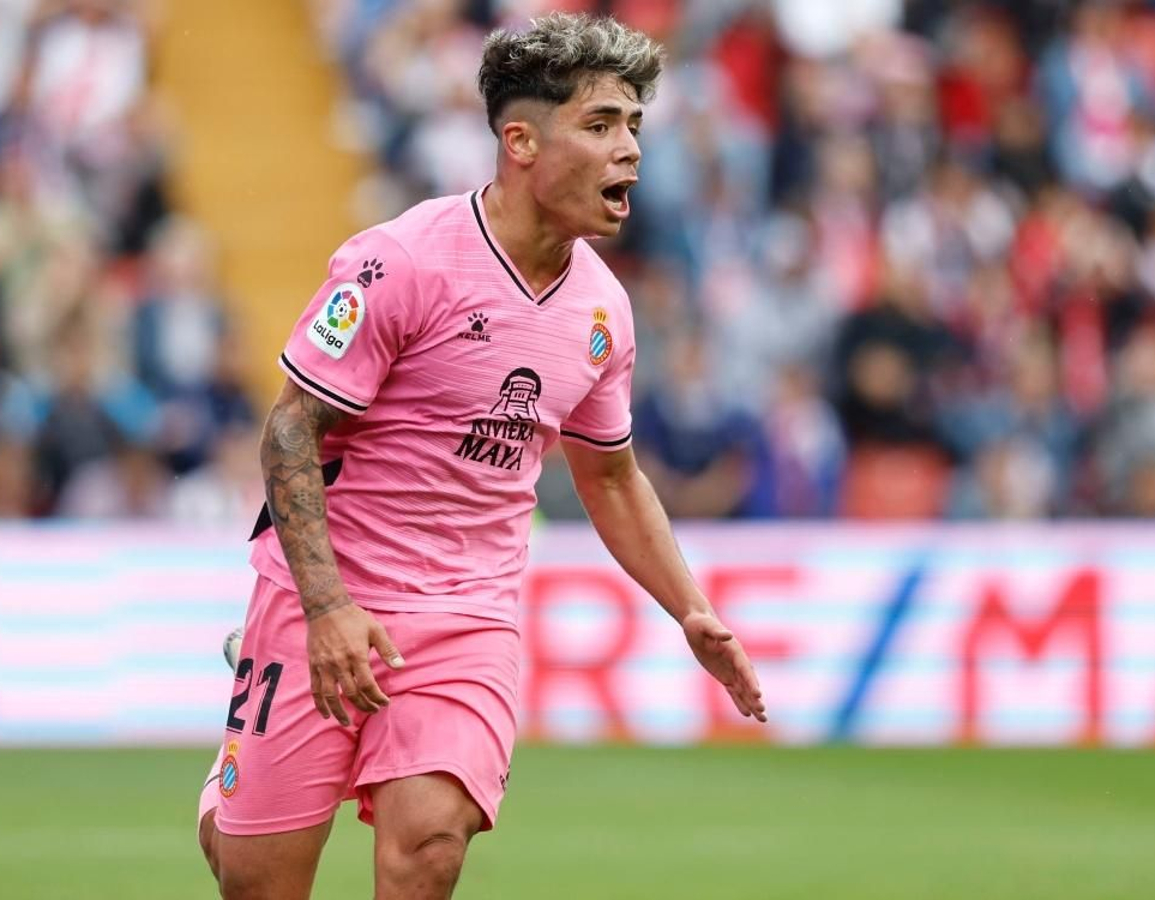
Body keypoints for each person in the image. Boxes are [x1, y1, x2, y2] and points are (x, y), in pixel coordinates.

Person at [196, 14, 767, 900]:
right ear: (522, 141)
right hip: (325, 599)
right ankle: (228, 787)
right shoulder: (401, 264)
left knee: (429, 848)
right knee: (256, 883)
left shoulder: (602, 311)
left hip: (469, 613)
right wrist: (329, 608)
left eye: (634, 127)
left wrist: (690, 610)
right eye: (602, 125)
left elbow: (610, 473)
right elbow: (288, 431)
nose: (630, 152)